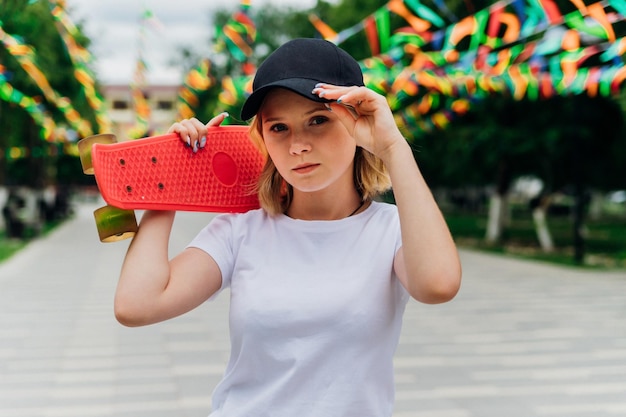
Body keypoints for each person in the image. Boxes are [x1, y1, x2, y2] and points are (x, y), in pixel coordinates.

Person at [115, 38, 462, 416]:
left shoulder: (391, 231)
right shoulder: (240, 230)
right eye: (279, 127)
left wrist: (393, 147)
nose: (298, 145)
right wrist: (169, 180)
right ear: (262, 137)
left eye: (318, 120)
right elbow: (137, 305)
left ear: (358, 121)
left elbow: (437, 285)